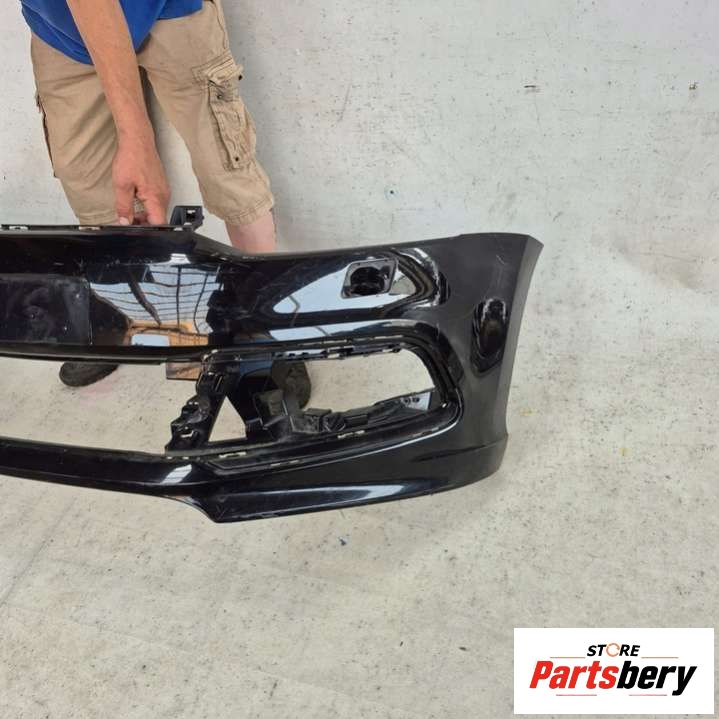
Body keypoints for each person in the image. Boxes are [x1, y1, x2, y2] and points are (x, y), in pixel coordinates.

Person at [22, 0, 307, 398]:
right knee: (88, 178)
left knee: (225, 163)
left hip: (168, 10)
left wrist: (137, 137)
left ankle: (264, 326)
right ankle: (122, 313)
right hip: (61, 30)